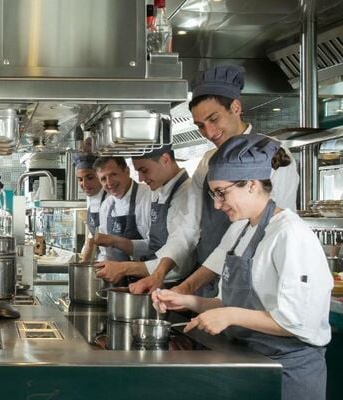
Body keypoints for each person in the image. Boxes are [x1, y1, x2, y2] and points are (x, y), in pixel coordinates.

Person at [152, 133, 332, 400]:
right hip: (253, 362)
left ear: (250, 185)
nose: (216, 204)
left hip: (288, 371)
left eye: (222, 193)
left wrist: (230, 317)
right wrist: (189, 302)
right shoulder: (241, 230)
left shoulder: (291, 235)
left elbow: (297, 321)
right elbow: (234, 303)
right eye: (214, 194)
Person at [130, 64, 299, 295]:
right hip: (206, 283)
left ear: (236, 107)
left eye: (214, 119)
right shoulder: (207, 161)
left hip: (252, 283)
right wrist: (159, 273)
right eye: (200, 125)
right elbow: (188, 227)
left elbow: (249, 232)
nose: (209, 132)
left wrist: (188, 285)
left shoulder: (273, 155)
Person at [94, 144, 193, 286]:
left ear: (165, 160)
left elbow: (180, 249)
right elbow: (154, 244)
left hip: (172, 283)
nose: (140, 178)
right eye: (103, 179)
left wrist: (125, 267)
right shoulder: (159, 192)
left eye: (144, 170)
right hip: (150, 278)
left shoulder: (186, 193)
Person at [92, 157, 151, 283]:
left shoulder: (148, 197)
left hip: (148, 278)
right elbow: (106, 253)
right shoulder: (107, 205)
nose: (109, 182)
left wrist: (115, 241)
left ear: (127, 171)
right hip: (119, 281)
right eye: (103, 178)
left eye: (113, 174)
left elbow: (155, 247)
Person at [74, 153, 108, 262]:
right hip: (102, 263)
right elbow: (91, 238)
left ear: (99, 175)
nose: (84, 184)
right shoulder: (91, 199)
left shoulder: (110, 199)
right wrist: (83, 264)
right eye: (80, 179)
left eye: (90, 177)